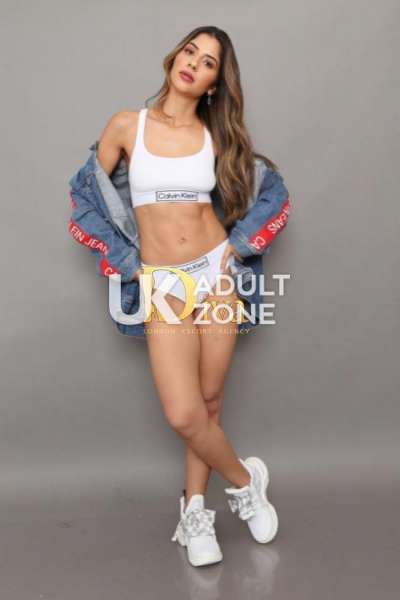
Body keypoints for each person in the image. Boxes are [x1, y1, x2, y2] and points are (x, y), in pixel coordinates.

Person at [94, 26, 283, 567]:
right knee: (183, 413)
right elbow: (88, 197)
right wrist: (130, 262)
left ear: (213, 84)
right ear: (174, 56)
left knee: (208, 402)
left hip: (216, 276)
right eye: (190, 52)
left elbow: (270, 191)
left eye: (207, 63)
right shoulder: (126, 125)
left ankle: (195, 512)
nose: (193, 64)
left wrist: (238, 247)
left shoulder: (215, 136)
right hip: (165, 283)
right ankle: (245, 483)